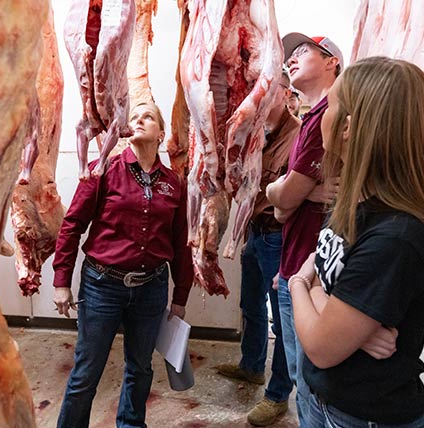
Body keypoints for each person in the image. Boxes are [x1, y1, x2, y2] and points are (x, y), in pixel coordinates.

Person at [288, 56, 424, 428]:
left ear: (349, 128)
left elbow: (320, 346)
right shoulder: (356, 203)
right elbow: (325, 277)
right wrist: (346, 323)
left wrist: (297, 285)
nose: (322, 115)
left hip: (366, 417)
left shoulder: (397, 237)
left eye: (331, 106)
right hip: (324, 399)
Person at [52, 102, 193, 428]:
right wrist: (61, 280)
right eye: (134, 117)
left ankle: (131, 424)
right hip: (103, 286)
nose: (139, 120)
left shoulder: (173, 183)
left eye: (148, 117)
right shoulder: (102, 170)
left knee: (140, 368)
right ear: (125, 131)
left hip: (151, 288)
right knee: (87, 371)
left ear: (161, 133)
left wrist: (181, 296)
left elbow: (180, 240)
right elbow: (72, 225)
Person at [214, 70, 301, 426]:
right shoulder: (255, 130)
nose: (259, 98)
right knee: (250, 303)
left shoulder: (299, 135)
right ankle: (251, 366)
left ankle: (278, 394)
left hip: (279, 236)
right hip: (254, 231)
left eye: (268, 91)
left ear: (284, 94)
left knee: (283, 320)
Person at [264, 33, 343, 425]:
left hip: (312, 276)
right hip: (296, 266)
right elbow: (281, 209)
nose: (291, 60)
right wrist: (288, 196)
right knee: (303, 381)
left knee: (311, 387)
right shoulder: (312, 119)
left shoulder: (326, 118)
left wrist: (284, 194)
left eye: (303, 52)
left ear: (332, 62)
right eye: (289, 56)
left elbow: (285, 198)